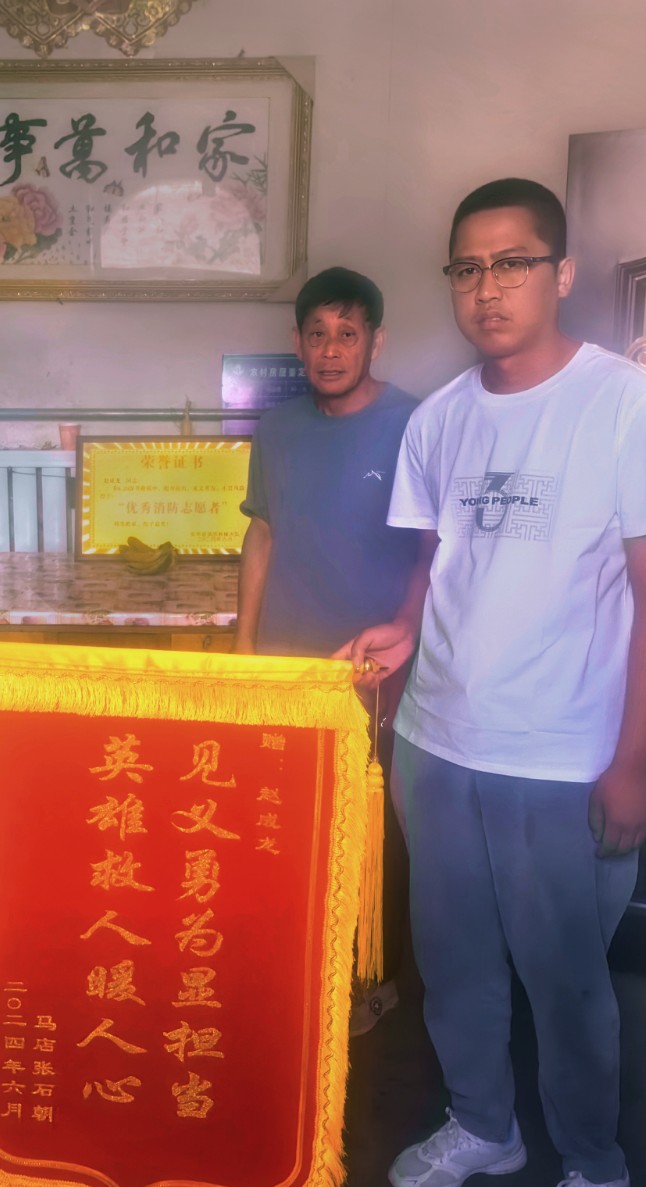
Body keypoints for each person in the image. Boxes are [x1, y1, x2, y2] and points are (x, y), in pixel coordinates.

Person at [342, 179, 646, 1187]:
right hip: (435, 744)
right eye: (467, 268)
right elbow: (437, 562)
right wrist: (404, 629)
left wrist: (633, 763)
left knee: (566, 983)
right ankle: (481, 1125)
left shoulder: (627, 405)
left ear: (562, 273)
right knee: (453, 962)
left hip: (559, 756)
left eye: (512, 262)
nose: (487, 287)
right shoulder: (440, 421)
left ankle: (594, 1162)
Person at [236, 265, 420, 1034]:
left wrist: (407, 637)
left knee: (373, 832)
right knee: (287, 825)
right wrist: (244, 649)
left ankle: (373, 977)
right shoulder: (277, 430)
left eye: (348, 333)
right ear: (297, 343)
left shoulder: (415, 423)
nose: (332, 349)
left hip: (373, 670)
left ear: (377, 340)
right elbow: (262, 534)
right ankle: (299, 968)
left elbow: (435, 549)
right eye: (318, 334)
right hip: (288, 667)